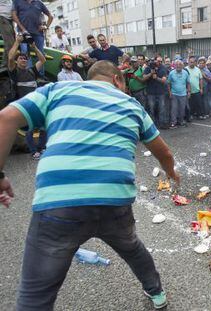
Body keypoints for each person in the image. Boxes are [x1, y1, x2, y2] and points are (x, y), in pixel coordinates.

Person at [0, 60, 180, 310]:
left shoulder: (57, 91)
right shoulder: (131, 104)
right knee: (132, 248)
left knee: (35, 295)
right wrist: (172, 173)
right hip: (114, 201)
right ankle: (156, 292)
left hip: (59, 202)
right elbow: (165, 153)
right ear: (118, 79)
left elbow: (6, 118)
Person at [8, 34, 46, 159]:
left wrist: (34, 47)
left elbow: (42, 60)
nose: (23, 60)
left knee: (43, 126)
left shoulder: (32, 71)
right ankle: (34, 151)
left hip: (36, 102)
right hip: (24, 104)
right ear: (17, 61)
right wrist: (17, 42)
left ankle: (41, 148)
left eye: (25, 58)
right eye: (21, 59)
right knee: (30, 128)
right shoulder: (14, 71)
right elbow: (9, 58)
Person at [12, 0, 53, 74]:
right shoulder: (17, 1)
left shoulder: (39, 2)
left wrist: (46, 26)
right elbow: (14, 15)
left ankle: (40, 77)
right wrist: (23, 29)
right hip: (23, 33)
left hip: (38, 34)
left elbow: (51, 16)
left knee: (40, 55)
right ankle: (28, 76)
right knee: (25, 54)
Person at [143, 56, 168, 128]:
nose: (159, 62)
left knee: (162, 109)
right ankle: (152, 125)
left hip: (161, 92)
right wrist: (150, 74)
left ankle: (162, 123)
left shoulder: (163, 68)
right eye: (157, 61)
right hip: (150, 92)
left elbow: (164, 80)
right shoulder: (148, 68)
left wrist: (156, 78)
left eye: (160, 61)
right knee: (151, 109)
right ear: (154, 60)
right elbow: (144, 78)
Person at [167, 59, 190, 128]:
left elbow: (188, 83)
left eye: (180, 64)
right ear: (174, 66)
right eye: (176, 65)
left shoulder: (185, 73)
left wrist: (189, 92)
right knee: (174, 109)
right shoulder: (171, 73)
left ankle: (181, 121)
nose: (178, 66)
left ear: (182, 66)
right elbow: (168, 83)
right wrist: (170, 92)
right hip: (174, 94)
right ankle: (173, 122)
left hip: (183, 94)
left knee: (182, 109)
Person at [185, 56, 203, 120]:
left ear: (195, 62)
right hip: (188, 91)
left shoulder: (198, 69)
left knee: (198, 104)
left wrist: (201, 88)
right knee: (189, 105)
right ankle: (190, 115)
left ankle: (199, 115)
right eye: (190, 62)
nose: (192, 63)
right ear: (188, 62)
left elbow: (200, 79)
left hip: (197, 90)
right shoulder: (185, 69)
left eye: (193, 62)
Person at [0, 0, 14, 67]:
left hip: (9, 19)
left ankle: (5, 64)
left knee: (11, 43)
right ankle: (8, 65)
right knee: (10, 44)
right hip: (3, 17)